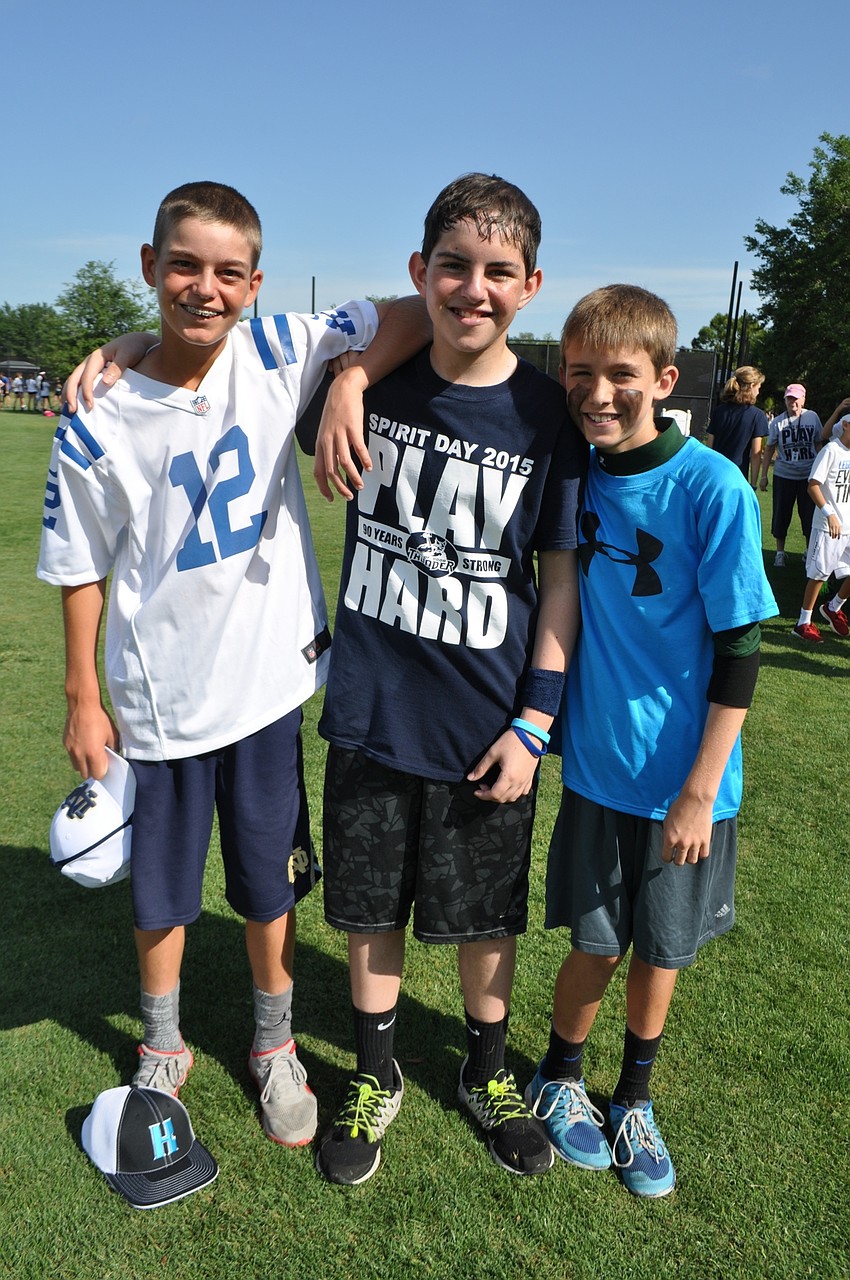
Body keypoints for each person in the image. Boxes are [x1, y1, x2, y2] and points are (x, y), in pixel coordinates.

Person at [38, 180, 427, 1150]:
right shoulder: (98, 414)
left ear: (254, 283)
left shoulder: (280, 348)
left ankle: (273, 1042)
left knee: (267, 883)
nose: (203, 288)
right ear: (150, 266)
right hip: (157, 699)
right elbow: (79, 567)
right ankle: (161, 1043)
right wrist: (82, 694)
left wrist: (348, 379)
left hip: (264, 690)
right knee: (161, 891)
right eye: (183, 266)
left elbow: (415, 311)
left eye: (226, 272)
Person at [310, 173, 585, 1186]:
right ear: (419, 272)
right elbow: (215, 356)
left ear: (531, 285)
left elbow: (559, 581)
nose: (474, 288)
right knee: (369, 909)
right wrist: (347, 374)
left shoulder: (549, 414)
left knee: (486, 918)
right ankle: (374, 1072)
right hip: (374, 704)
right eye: (454, 267)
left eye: (499, 271)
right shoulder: (367, 384)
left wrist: (534, 722)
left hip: (487, 718)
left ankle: (486, 1070)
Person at [524, 285, 777, 1198]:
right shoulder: (574, 475)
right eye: (580, 372)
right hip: (600, 771)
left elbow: (741, 651)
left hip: (686, 788)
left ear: (666, 381)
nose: (598, 393)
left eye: (621, 374)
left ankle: (632, 1099)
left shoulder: (712, 486)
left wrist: (701, 790)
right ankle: (558, 1077)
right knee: (595, 945)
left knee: (660, 952)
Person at [791, 413, 850, 643]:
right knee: (819, 575)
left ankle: (833, 607)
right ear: (845, 425)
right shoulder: (831, 450)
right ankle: (802, 623)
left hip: (847, 525)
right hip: (828, 526)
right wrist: (830, 514)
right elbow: (813, 485)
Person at [759, 383, 823, 566]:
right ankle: (780, 553)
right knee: (781, 514)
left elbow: (818, 443)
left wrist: (822, 472)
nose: (792, 402)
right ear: (785, 400)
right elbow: (769, 448)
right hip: (784, 475)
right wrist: (764, 476)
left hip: (807, 476)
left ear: (803, 399)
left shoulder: (812, 417)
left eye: (796, 398)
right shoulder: (778, 422)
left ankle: (808, 552)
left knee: (809, 515)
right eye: (789, 398)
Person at [704, 365, 768, 484]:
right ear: (751, 386)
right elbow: (756, 454)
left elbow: (709, 446)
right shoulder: (757, 415)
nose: (758, 392)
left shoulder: (719, 411)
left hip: (716, 474)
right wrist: (753, 484)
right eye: (758, 387)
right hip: (738, 476)